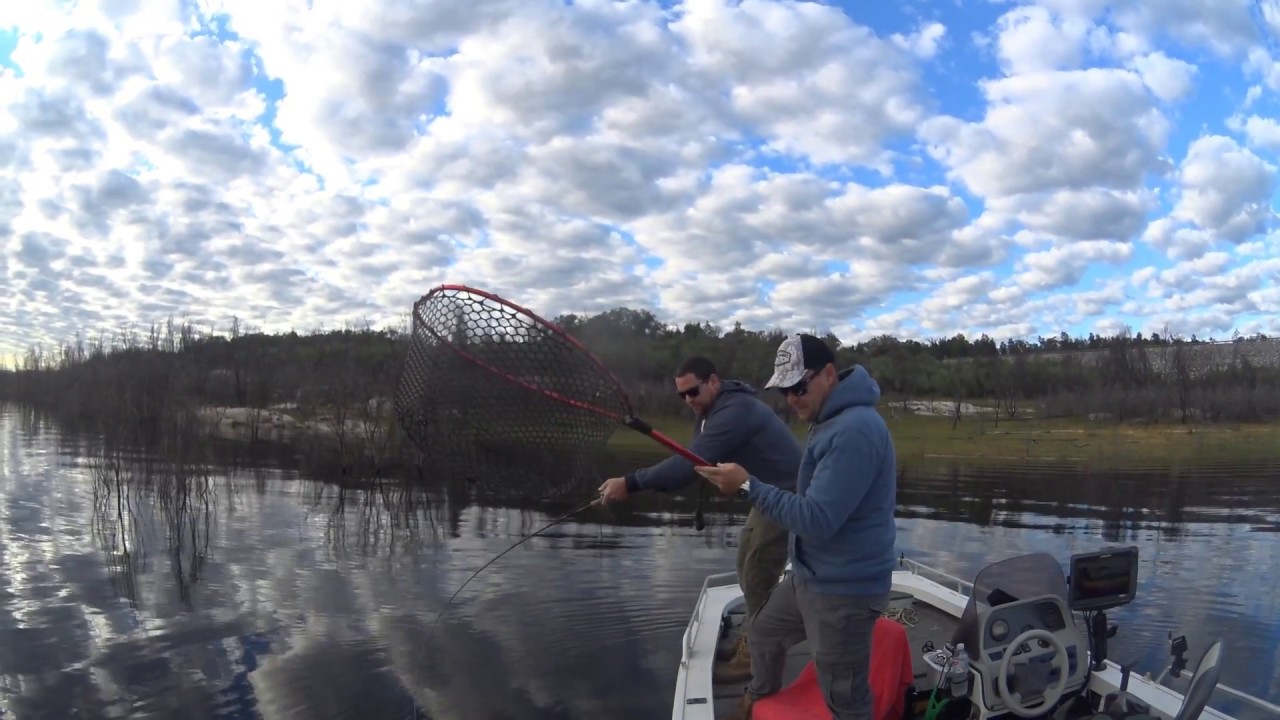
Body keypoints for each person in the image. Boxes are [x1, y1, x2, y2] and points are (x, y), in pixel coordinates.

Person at [696, 333, 897, 720]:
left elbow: (817, 520)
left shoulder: (853, 430)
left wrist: (748, 485)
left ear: (828, 374)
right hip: (812, 577)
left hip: (844, 592)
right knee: (764, 632)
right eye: (785, 389)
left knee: (846, 698)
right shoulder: (830, 420)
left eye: (798, 386)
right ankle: (759, 698)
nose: (792, 397)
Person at [598, 355, 801, 682]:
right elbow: (691, 466)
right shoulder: (713, 412)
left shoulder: (735, 411)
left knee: (757, 573)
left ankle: (757, 656)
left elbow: (684, 468)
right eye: (682, 395)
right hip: (763, 495)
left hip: (788, 495)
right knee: (745, 564)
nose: (688, 400)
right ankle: (751, 638)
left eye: (693, 392)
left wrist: (630, 482)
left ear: (714, 382)